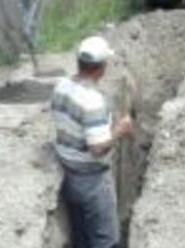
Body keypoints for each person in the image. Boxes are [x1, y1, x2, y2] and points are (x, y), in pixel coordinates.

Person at [52, 36, 134, 248]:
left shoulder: (61, 86)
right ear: (101, 68)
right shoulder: (92, 101)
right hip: (92, 179)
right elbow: (97, 148)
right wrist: (119, 131)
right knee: (105, 239)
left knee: (81, 236)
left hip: (68, 173)